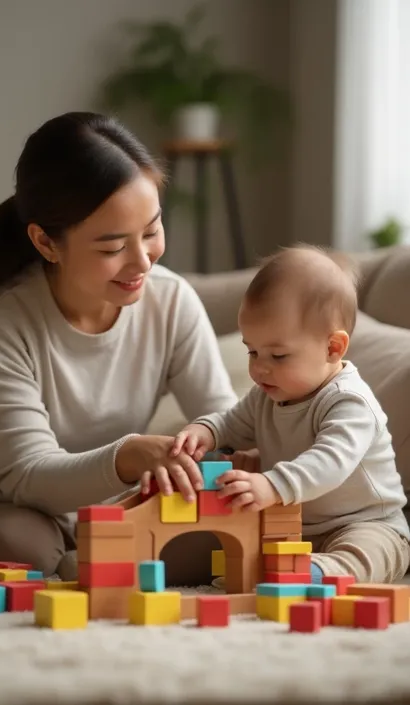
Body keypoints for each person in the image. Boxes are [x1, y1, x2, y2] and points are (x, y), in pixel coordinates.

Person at [0, 112, 238, 583]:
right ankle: (90, 564)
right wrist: (129, 456)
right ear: (46, 242)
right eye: (112, 246)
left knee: (224, 538)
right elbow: (26, 475)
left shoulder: (172, 299)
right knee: (23, 550)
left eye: (152, 231)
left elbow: (227, 422)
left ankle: (92, 564)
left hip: (116, 507)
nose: (143, 261)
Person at [165, 245, 410, 584]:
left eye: (278, 356)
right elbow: (231, 422)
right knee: (237, 537)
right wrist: (205, 430)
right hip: (291, 523)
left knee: (367, 553)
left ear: (332, 348)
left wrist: (271, 484)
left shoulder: (349, 402)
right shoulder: (266, 396)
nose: (260, 368)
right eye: (252, 351)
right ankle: (268, 570)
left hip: (364, 522)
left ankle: (319, 573)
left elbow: (330, 462)